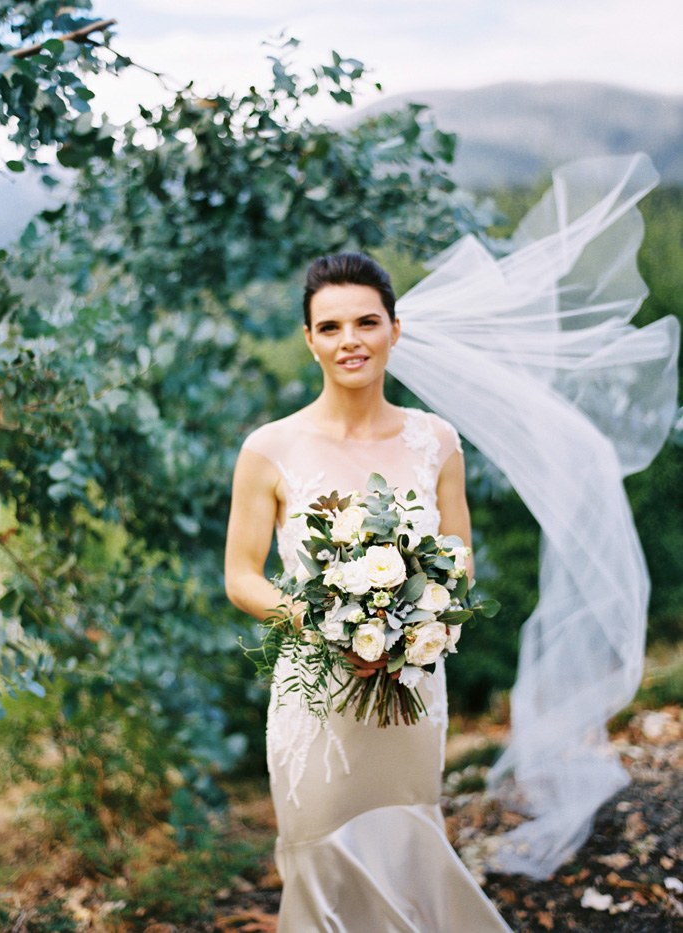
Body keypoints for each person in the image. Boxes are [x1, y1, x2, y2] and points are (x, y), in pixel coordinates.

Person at [225, 252, 512, 931]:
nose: (349, 339)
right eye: (330, 327)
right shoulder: (269, 447)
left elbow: (459, 556)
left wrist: (418, 624)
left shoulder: (436, 440)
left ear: (394, 329)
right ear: (310, 340)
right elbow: (241, 574)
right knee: (321, 851)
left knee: (405, 841)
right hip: (317, 693)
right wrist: (320, 620)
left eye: (366, 321)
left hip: (409, 686)